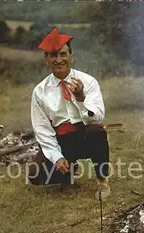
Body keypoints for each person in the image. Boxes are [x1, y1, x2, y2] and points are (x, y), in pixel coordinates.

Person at [27, 28, 110, 200]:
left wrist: (80, 98)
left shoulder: (88, 81)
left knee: (97, 132)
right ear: (46, 59)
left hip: (86, 136)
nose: (59, 60)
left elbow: (98, 117)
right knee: (36, 174)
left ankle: (102, 181)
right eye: (53, 55)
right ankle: (68, 172)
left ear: (71, 56)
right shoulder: (40, 91)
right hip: (62, 140)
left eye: (63, 54)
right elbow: (42, 129)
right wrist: (56, 157)